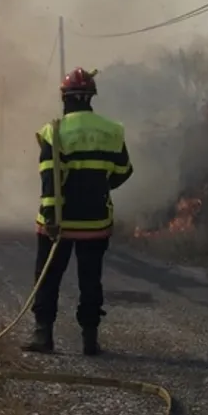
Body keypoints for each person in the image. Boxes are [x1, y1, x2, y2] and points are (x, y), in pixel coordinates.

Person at [23, 67, 133, 356]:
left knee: (48, 278)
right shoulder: (112, 131)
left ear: (64, 97)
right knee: (90, 279)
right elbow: (123, 171)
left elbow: (49, 180)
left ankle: (43, 336)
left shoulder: (54, 131)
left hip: (58, 222)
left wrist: (50, 219)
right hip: (96, 221)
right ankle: (90, 340)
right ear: (91, 98)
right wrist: (98, 186)